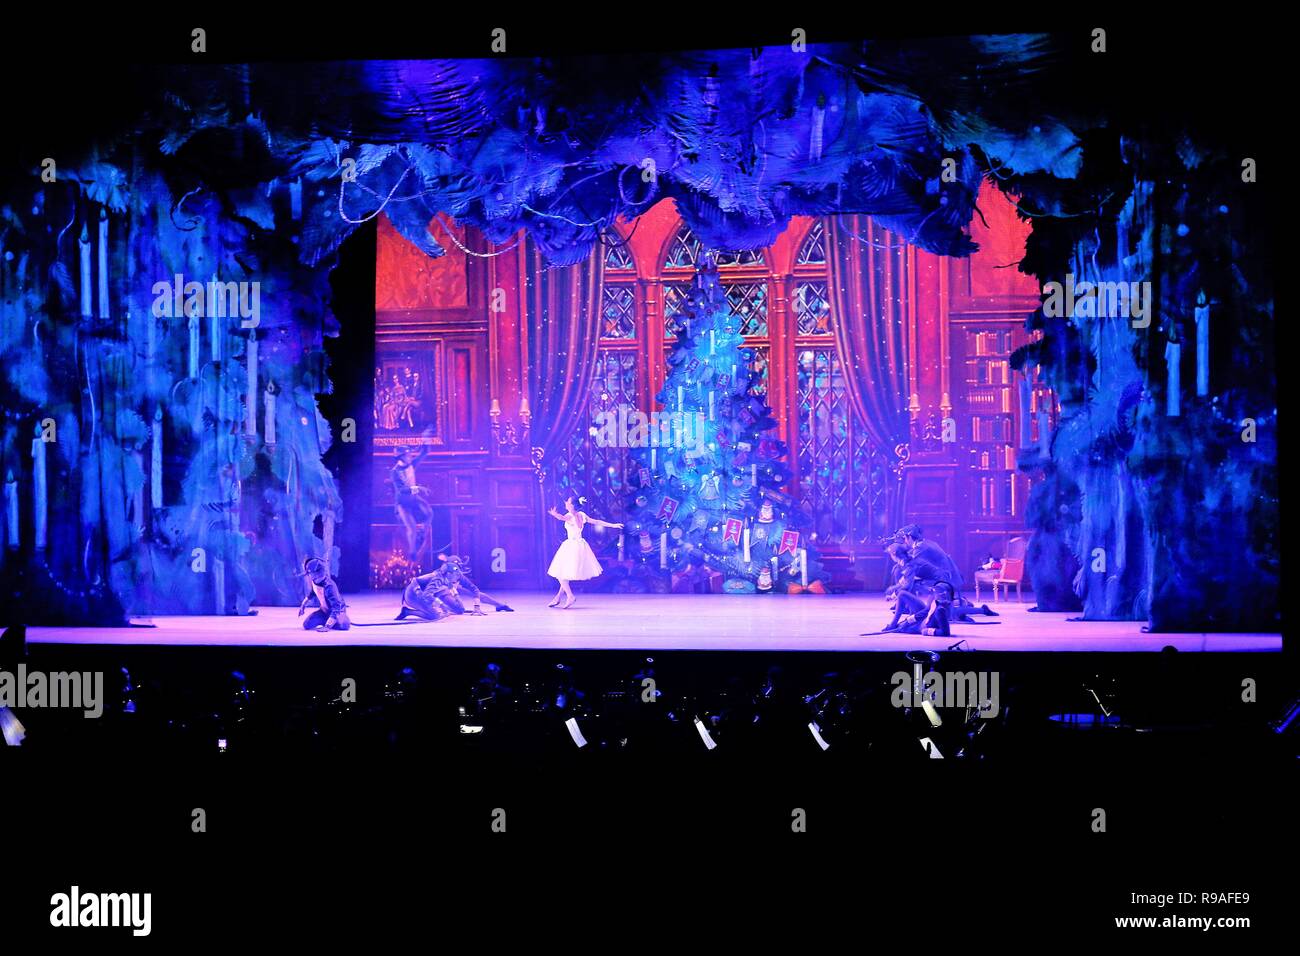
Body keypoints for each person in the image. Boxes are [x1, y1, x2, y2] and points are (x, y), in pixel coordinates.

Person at [546, 494, 622, 608]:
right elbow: (596, 522)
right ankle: (558, 598)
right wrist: (613, 525)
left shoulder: (569, 515)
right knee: (565, 573)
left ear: (572, 505)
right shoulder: (582, 515)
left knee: (559, 573)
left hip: (571, 546)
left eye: (568, 501)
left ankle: (570, 596)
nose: (566, 502)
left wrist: (554, 514)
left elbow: (562, 518)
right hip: (580, 545)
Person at [397, 552, 514, 620]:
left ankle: (499, 605)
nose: (457, 574)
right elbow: (420, 587)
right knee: (434, 616)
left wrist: (496, 605)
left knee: (459, 610)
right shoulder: (438, 577)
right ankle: (408, 612)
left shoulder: (457, 575)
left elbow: (474, 590)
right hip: (417, 594)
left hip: (437, 592)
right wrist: (440, 604)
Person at [391, 438, 433, 560]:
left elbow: (424, 453)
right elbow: (401, 490)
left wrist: (426, 440)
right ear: (401, 457)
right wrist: (418, 488)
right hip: (403, 503)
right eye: (408, 455)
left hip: (414, 499)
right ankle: (412, 552)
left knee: (429, 513)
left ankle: (422, 534)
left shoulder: (411, 465)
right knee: (412, 528)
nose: (410, 457)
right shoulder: (395, 472)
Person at [298, 557, 351, 631]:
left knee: (343, 625)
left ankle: (334, 621)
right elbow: (313, 592)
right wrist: (303, 605)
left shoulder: (329, 586)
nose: (310, 576)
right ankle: (326, 620)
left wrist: (328, 626)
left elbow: (336, 606)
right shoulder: (315, 582)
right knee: (307, 624)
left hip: (338, 612)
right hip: (324, 611)